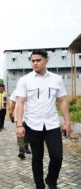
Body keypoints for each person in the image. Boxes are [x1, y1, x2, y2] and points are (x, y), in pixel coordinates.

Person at [16, 49, 71, 189]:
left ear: (46, 60)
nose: (35, 63)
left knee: (57, 156)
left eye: (38, 60)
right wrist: (19, 125)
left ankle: (51, 180)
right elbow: (20, 103)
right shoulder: (25, 80)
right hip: (32, 124)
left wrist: (67, 122)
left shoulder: (56, 79)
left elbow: (62, 101)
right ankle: (39, 185)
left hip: (52, 124)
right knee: (37, 157)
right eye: (33, 61)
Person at [9, 90, 31, 159]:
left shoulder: (31, 90)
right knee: (20, 132)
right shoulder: (16, 91)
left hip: (29, 115)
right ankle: (21, 149)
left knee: (28, 132)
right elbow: (13, 103)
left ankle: (26, 146)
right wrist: (11, 112)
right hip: (18, 115)